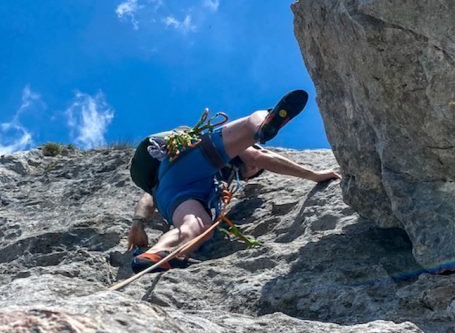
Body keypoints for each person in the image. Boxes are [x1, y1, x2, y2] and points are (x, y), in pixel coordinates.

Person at [126, 90, 340, 272]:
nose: (255, 169)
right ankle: (263, 123)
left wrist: (138, 223)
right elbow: (260, 157)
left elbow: (149, 196)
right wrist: (314, 175)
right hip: (196, 156)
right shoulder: (235, 158)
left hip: (169, 191)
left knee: (199, 226)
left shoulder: (212, 183)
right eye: (255, 171)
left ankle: (157, 254)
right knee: (250, 126)